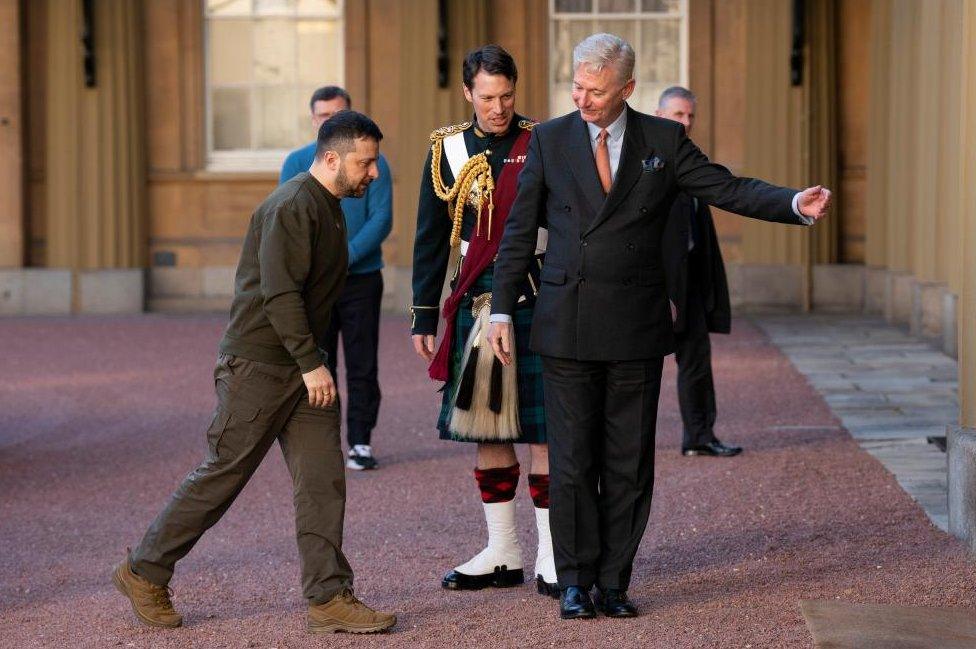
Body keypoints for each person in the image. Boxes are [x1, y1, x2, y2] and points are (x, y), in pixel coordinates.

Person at [488, 33, 831, 620]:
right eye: (576, 87)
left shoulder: (664, 141)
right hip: (565, 323)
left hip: (635, 327)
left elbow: (726, 187)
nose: (583, 99)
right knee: (572, 459)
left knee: (628, 460)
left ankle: (615, 582)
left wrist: (791, 202)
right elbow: (519, 231)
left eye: (596, 91)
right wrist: (500, 308)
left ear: (627, 88)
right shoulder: (547, 139)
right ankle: (574, 580)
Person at [112, 111, 396, 635]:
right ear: (331, 159)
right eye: (367, 162)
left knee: (323, 481)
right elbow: (279, 294)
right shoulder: (291, 206)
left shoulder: (330, 206)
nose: (374, 174)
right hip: (260, 367)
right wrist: (312, 364)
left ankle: (329, 597)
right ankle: (143, 571)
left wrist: (313, 364)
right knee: (223, 474)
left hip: (303, 369)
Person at [410, 45, 558, 598]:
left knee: (544, 428)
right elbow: (431, 237)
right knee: (487, 424)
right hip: (477, 297)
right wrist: (424, 315)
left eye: (508, 96)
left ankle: (551, 555)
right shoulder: (445, 149)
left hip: (539, 295)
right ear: (468, 93)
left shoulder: (542, 138)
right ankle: (503, 551)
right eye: (488, 97)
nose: (499, 108)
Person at [281, 86, 393, 471]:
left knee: (362, 364)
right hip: (317, 285)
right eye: (323, 116)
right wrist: (324, 266)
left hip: (361, 280)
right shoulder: (296, 162)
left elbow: (381, 220)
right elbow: (290, 226)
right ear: (314, 121)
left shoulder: (375, 162)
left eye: (338, 115)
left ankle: (360, 441)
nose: (330, 121)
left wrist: (341, 258)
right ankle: (322, 443)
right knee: (318, 363)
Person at [656, 86, 741, 458]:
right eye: (678, 114)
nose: (686, 122)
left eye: (690, 115)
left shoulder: (691, 161)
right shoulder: (640, 159)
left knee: (696, 363)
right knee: (629, 372)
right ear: (660, 116)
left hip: (688, 281)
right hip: (649, 286)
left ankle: (700, 436)